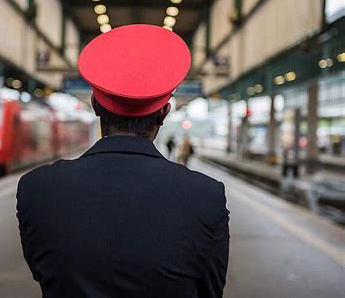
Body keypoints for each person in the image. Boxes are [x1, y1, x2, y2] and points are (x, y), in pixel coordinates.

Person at [17, 24, 229, 297]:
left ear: (94, 105)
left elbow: (43, 271)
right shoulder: (207, 197)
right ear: (164, 113)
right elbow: (210, 291)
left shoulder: (36, 189)